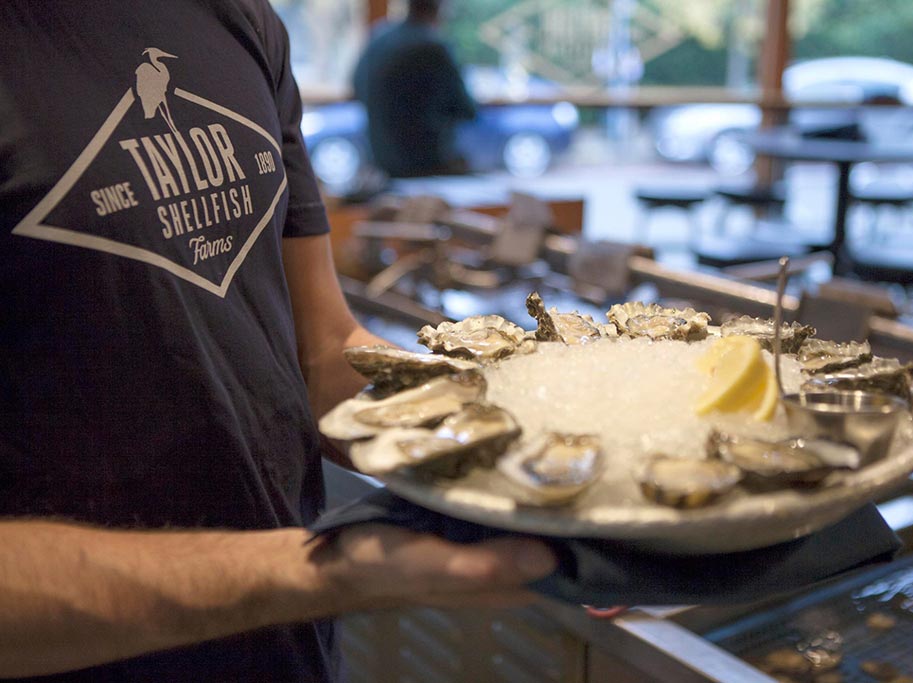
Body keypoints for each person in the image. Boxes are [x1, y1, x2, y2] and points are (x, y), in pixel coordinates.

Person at [0, 2, 554, 681]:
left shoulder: (237, 17)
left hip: (290, 655)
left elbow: (323, 350)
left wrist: (524, 459)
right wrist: (315, 570)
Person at [353, 0, 477, 178]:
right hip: (425, 165)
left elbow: (357, 87)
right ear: (440, 9)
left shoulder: (379, 37)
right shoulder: (432, 47)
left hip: (381, 159)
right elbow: (467, 109)